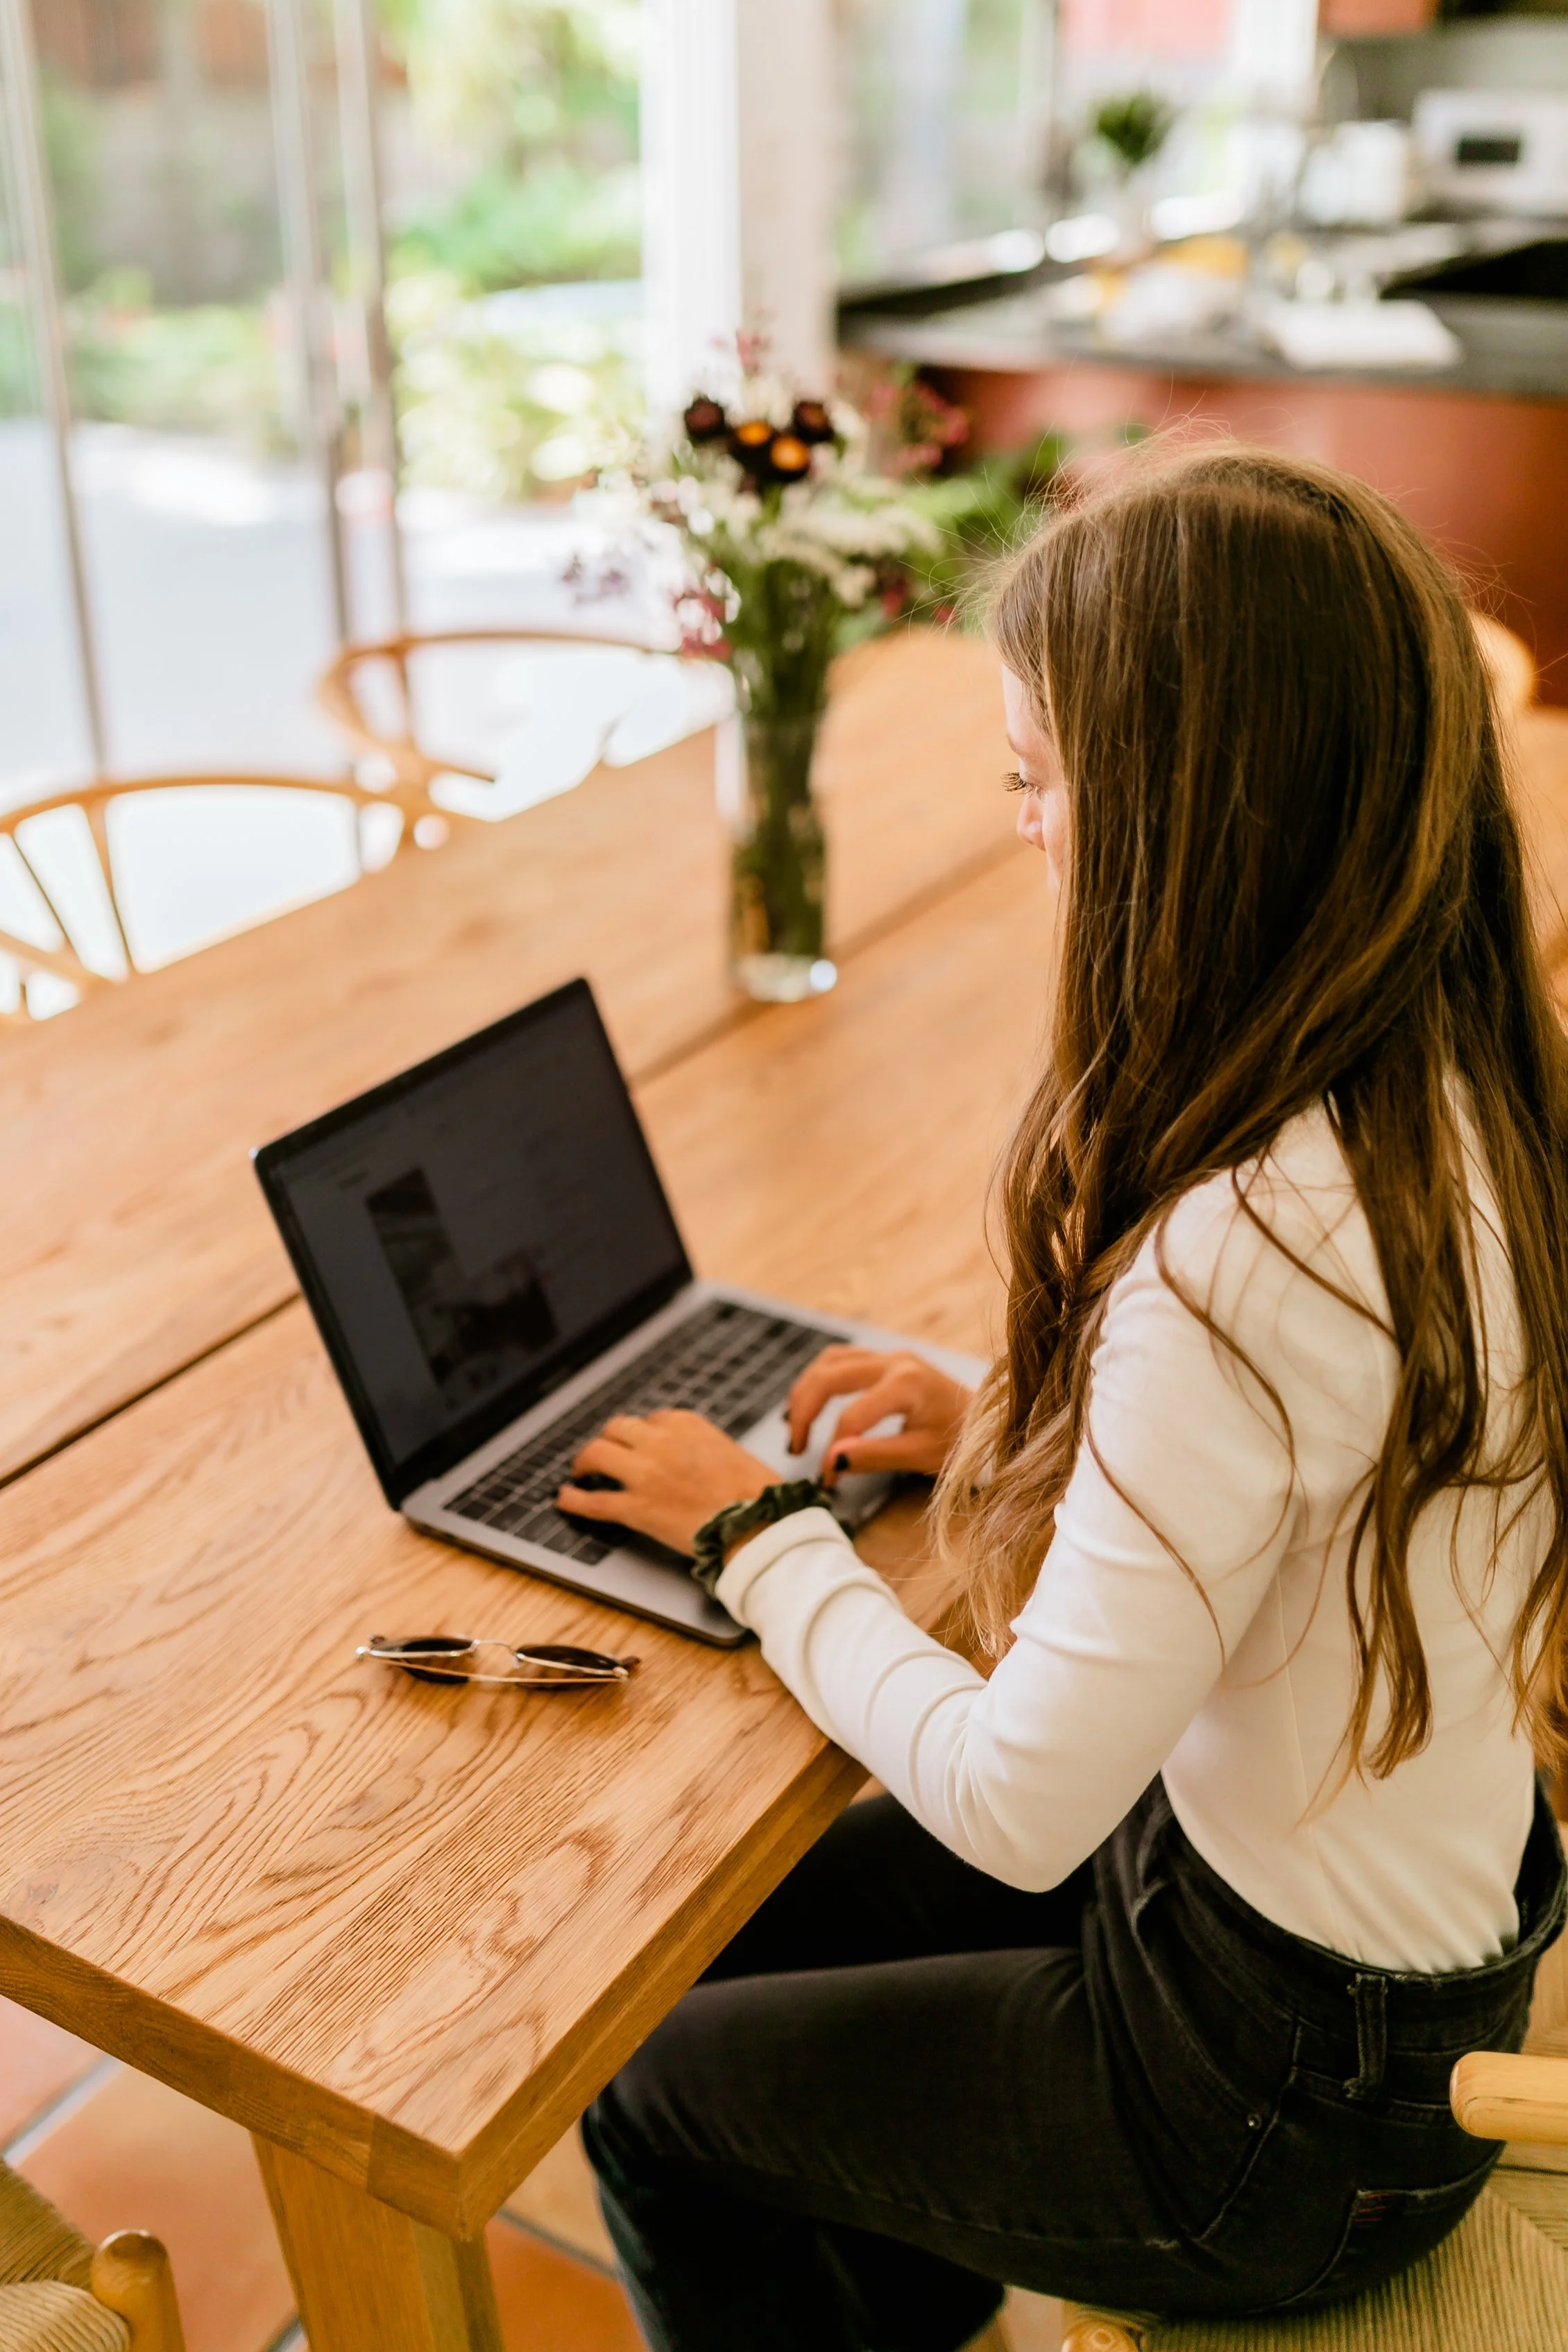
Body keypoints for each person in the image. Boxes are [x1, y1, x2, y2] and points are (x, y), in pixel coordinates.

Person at [556, 448, 1568, 2352]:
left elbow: (1014, 1804)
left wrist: (755, 1532)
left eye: (1035, 779)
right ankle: (919, 2265)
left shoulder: (1238, 1251)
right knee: (722, 1942)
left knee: (647, 2091)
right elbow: (1304, 1454)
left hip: (1273, 2108)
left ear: (1191, 812)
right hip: (1376, 1956)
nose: (1025, 828)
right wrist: (1012, 1417)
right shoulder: (1462, 1089)